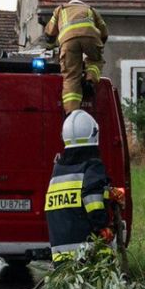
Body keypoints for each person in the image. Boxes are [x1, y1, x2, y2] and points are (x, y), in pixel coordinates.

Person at [45, 110, 121, 262]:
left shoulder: (57, 171)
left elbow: (73, 200)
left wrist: (110, 193)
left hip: (61, 257)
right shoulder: (92, 166)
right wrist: (104, 227)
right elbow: (91, 198)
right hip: (90, 254)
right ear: (93, 134)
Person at [44, 0, 108, 113]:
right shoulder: (91, 9)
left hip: (68, 41)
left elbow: (50, 33)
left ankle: (71, 113)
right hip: (90, 37)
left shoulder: (60, 9)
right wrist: (99, 45)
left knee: (71, 76)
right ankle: (90, 81)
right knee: (96, 60)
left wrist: (50, 45)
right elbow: (104, 31)